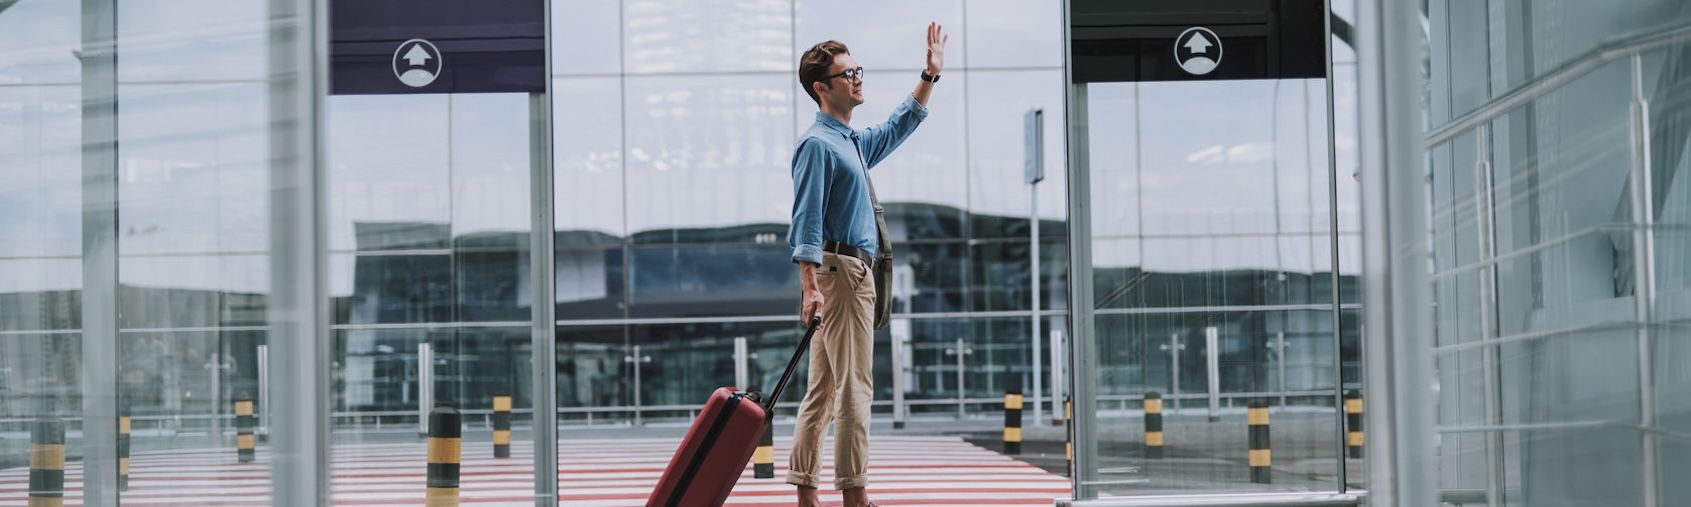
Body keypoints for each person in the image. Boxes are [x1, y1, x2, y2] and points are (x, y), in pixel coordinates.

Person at [785, 22, 948, 507]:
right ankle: (855, 496)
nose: (857, 78)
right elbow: (805, 219)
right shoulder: (818, 144)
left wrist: (929, 75)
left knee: (824, 389)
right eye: (846, 72)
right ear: (822, 87)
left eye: (858, 69)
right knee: (855, 387)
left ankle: (806, 495)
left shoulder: (850, 142)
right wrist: (808, 285)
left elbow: (901, 123)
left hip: (846, 274)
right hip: (841, 276)